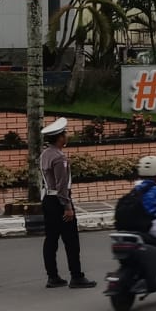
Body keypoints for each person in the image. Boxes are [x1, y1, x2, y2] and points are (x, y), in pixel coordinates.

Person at [39, 118, 95, 289]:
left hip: (47, 200)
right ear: (60, 138)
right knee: (71, 241)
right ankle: (76, 276)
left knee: (51, 240)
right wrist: (68, 207)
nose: (66, 136)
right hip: (59, 201)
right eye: (65, 134)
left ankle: (52, 276)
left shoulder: (45, 154)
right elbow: (62, 186)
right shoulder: (59, 158)